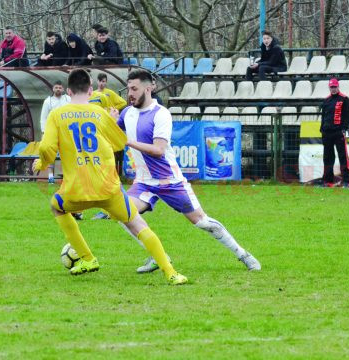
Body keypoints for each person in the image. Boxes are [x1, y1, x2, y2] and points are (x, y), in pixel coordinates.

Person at [32, 68, 187, 285]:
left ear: (68, 91)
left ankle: (87, 258)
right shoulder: (100, 114)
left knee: (56, 206)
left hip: (76, 192)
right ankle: (171, 273)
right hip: (109, 190)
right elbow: (118, 143)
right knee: (137, 224)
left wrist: (41, 163)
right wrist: (112, 121)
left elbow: (48, 147)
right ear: (91, 90)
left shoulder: (57, 115)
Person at [107, 69, 261, 273]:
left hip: (169, 181)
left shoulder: (160, 114)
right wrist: (109, 121)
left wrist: (127, 141)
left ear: (149, 88)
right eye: (128, 89)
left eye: (134, 89)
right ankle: (158, 255)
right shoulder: (127, 113)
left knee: (202, 222)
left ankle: (243, 254)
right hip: (144, 182)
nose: (130, 94)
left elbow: (158, 150)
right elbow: (111, 135)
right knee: (122, 213)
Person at [319, 77, 349, 187]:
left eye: (335, 87)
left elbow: (347, 116)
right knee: (327, 157)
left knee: (343, 157)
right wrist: (322, 129)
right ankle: (327, 181)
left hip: (338, 132)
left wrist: (344, 128)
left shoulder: (344, 99)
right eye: (331, 87)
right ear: (329, 88)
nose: (333, 89)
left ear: (338, 87)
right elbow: (323, 116)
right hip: (327, 133)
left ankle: (347, 181)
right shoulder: (326, 100)